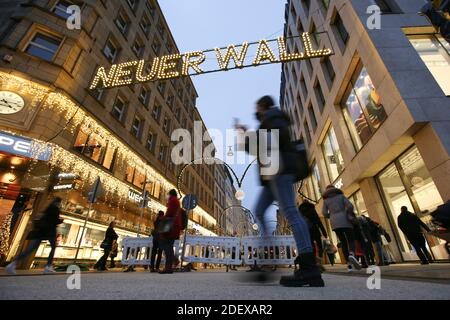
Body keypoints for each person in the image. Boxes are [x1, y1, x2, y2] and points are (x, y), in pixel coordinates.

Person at [236, 95, 323, 287]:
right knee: (258, 211)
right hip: (271, 175)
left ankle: (309, 267)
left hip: (279, 170)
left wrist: (248, 135)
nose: (256, 110)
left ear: (263, 106)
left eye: (257, 106)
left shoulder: (273, 117)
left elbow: (272, 142)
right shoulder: (270, 120)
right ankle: (269, 260)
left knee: (291, 211)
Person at [6, 197, 64, 275]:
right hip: (50, 232)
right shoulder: (55, 209)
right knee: (53, 247)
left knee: (30, 249)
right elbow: (54, 220)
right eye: (60, 203)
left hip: (40, 232)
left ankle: (13, 263)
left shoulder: (47, 208)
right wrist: (60, 220)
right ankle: (48, 266)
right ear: (58, 203)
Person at [322, 185, 362, 272]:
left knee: (343, 241)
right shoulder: (341, 196)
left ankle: (349, 265)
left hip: (334, 222)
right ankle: (351, 253)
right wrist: (348, 212)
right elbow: (350, 206)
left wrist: (331, 215)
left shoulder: (326, 200)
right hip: (345, 219)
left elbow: (324, 213)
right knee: (350, 239)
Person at [298, 199, 328, 272]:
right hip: (315, 229)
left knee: (312, 247)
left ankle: (314, 263)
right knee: (320, 245)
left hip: (307, 231)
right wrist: (324, 232)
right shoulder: (311, 209)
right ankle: (320, 261)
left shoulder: (300, 211)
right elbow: (318, 220)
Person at [158, 189, 183, 274]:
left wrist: (162, 218)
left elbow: (169, 213)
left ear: (170, 194)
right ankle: (170, 265)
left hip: (171, 227)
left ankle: (171, 264)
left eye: (168, 194)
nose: (167, 196)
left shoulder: (173, 200)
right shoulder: (176, 201)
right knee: (169, 246)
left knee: (165, 245)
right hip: (174, 227)